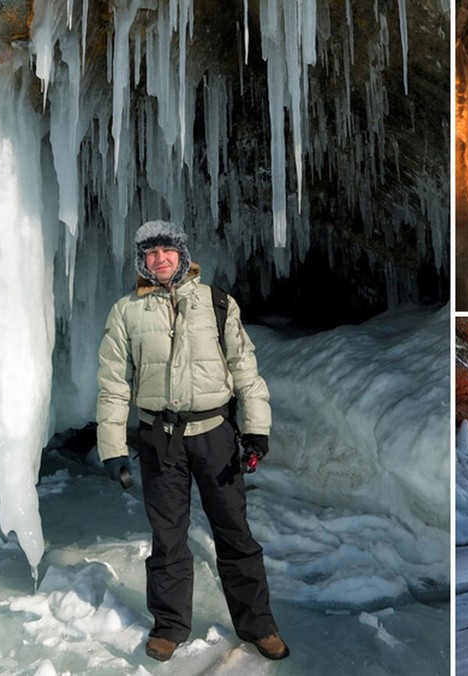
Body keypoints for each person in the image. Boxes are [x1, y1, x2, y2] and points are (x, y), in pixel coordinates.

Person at [96, 220, 288, 662]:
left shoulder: (217, 303)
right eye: (151, 253)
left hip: (214, 435)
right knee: (168, 539)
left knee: (235, 534)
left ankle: (259, 625)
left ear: (182, 254)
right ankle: (169, 626)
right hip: (159, 439)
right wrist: (112, 448)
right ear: (141, 261)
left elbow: (245, 370)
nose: (160, 259)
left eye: (167, 250)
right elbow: (112, 385)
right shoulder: (126, 311)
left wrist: (256, 428)